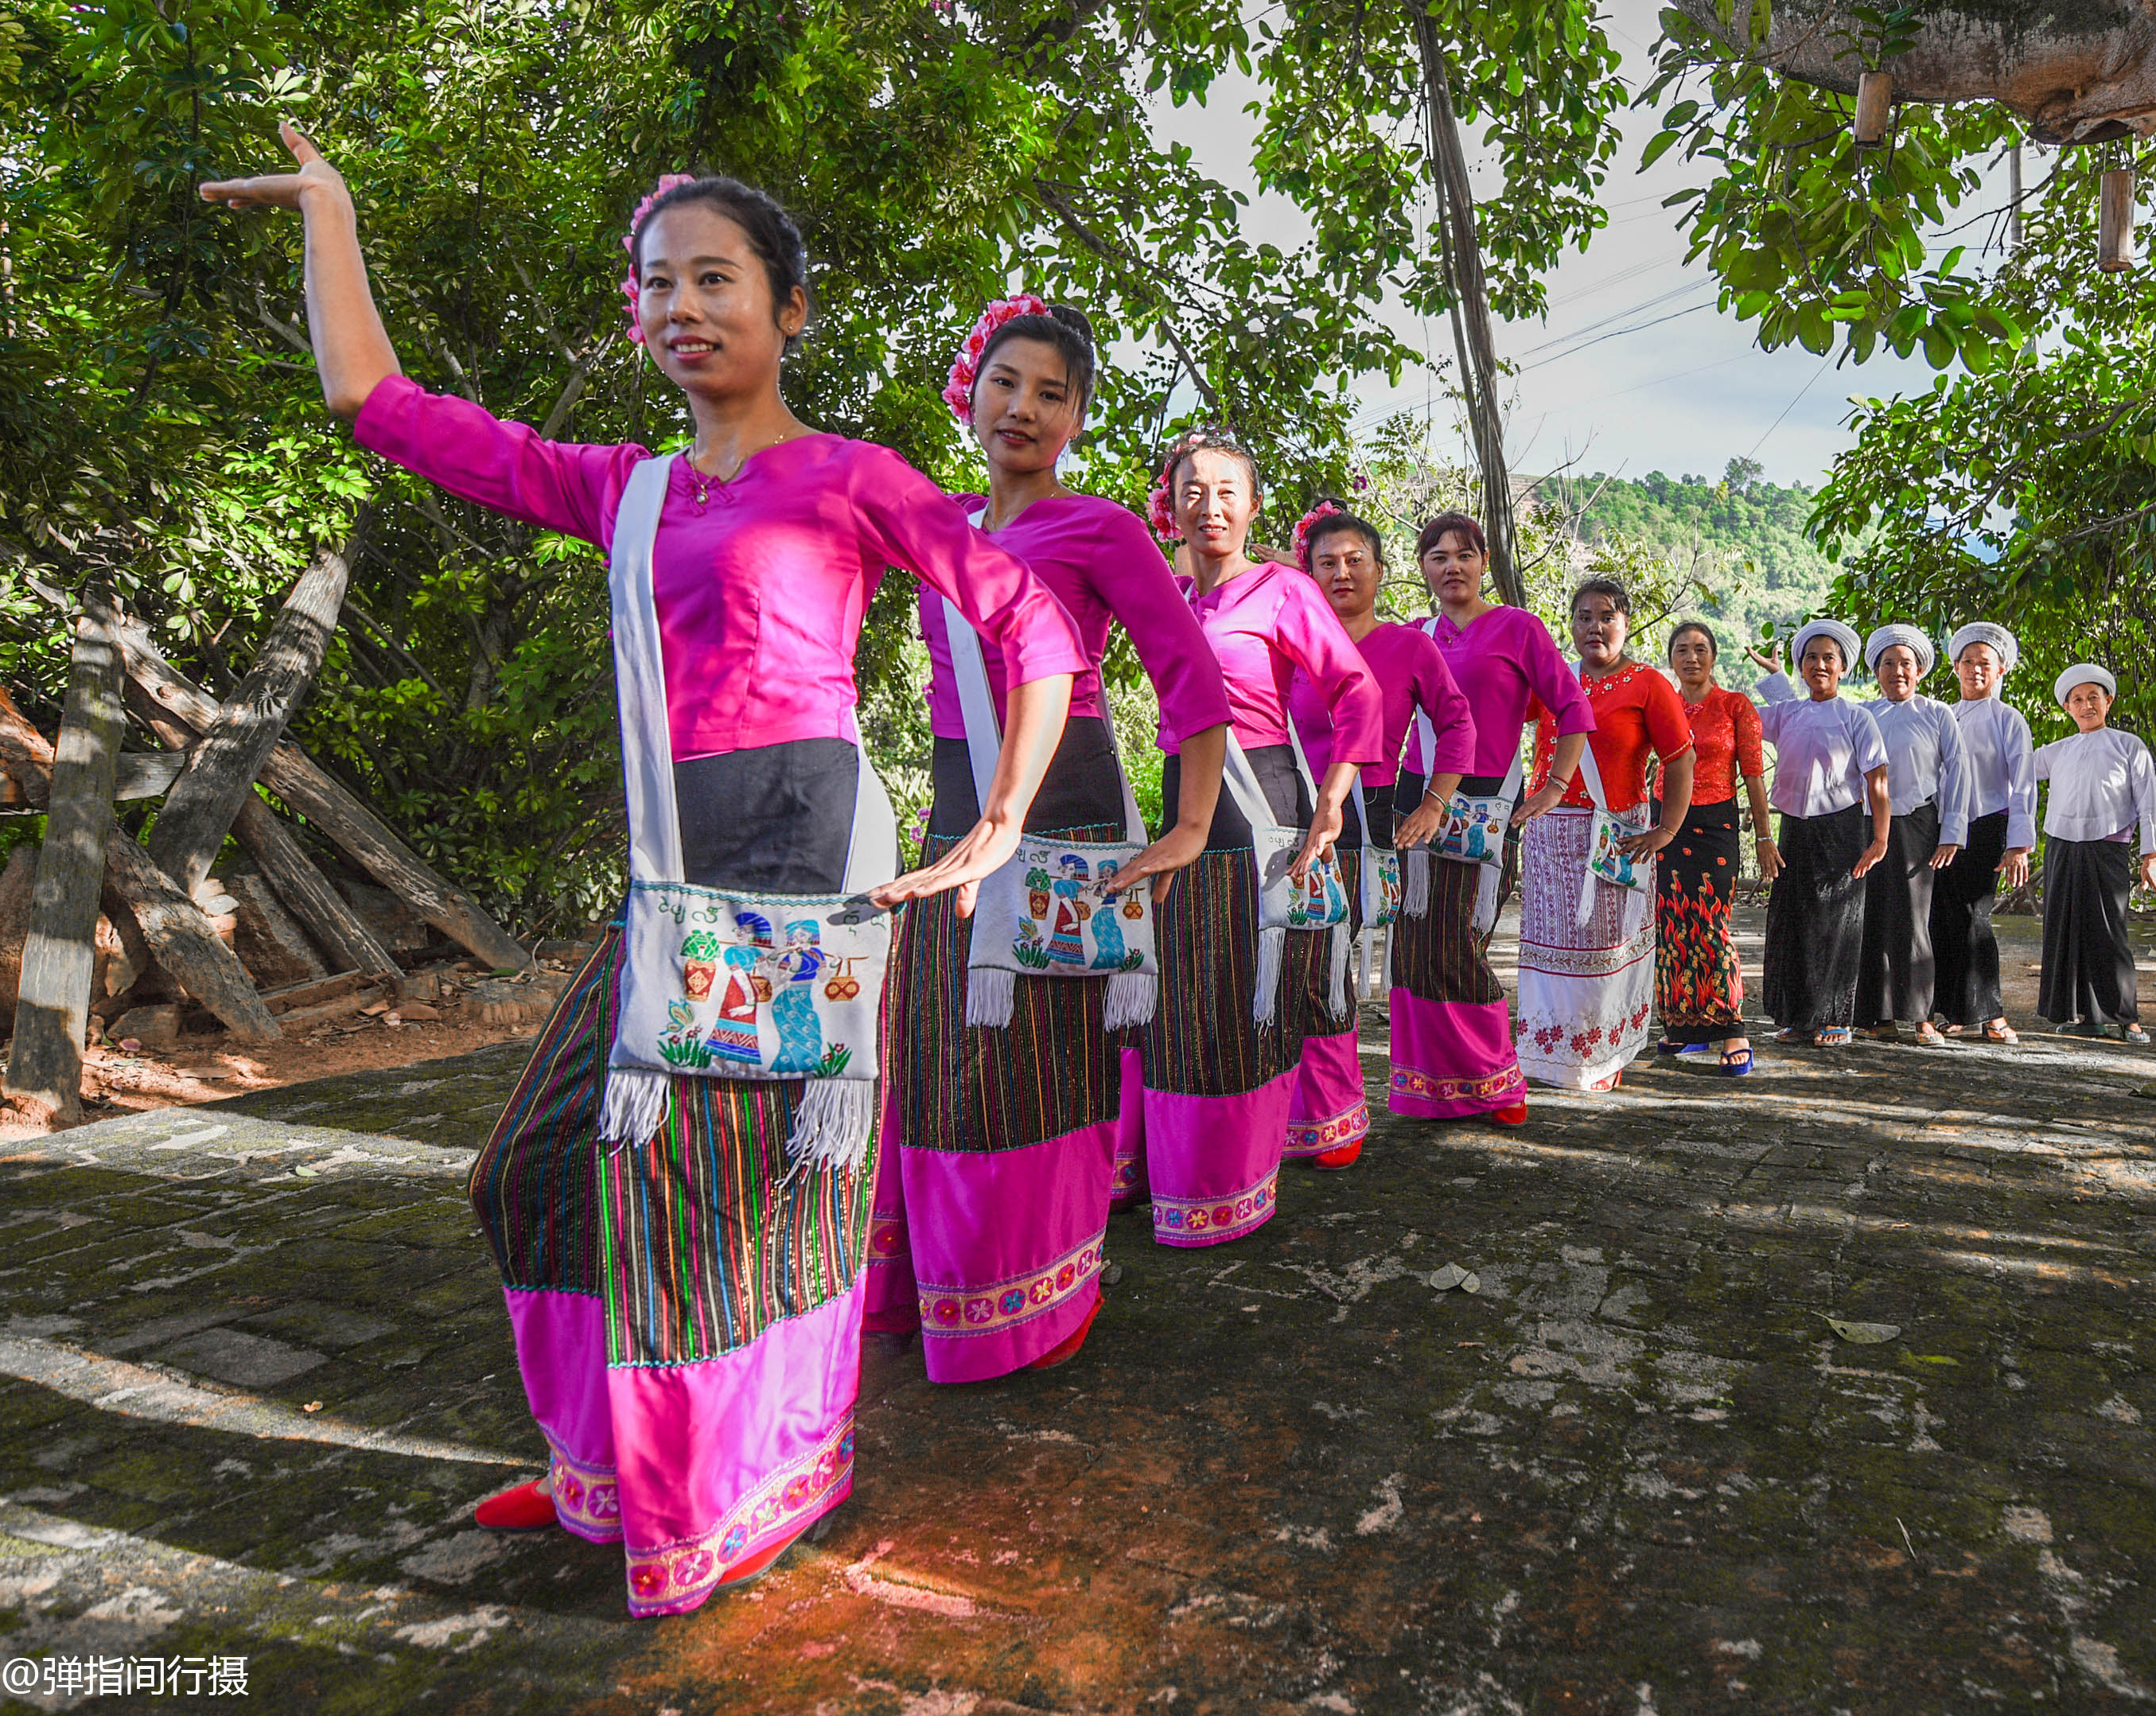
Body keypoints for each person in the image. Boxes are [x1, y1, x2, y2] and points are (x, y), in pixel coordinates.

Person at [203, 134, 1082, 1617]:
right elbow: (380, 405)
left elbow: (1027, 622)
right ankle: (610, 1469)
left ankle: (742, 1476)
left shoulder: (852, 477)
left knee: (716, 1198)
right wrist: (333, 216)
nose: (683, 304)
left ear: (787, 307)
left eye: (717, 277)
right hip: (672, 870)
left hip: (795, 873)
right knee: (537, 1171)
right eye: (658, 282)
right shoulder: (626, 488)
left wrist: (999, 821)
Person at [862, 297, 1232, 1383]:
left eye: (1052, 393)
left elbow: (1188, 677)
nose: (1023, 407)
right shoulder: (933, 525)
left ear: (1076, 419)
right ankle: (923, 1281)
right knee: (932, 1056)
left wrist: (1191, 824)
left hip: (1066, 815)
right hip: (950, 808)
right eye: (1006, 383)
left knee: (1032, 1060)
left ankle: (1038, 1295)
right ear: (970, 392)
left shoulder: (1102, 529)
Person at [1112, 433, 1383, 1246]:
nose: (1211, 506)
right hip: (1177, 801)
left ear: (1254, 505)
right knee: (1174, 997)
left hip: (1259, 804)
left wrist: (1335, 797)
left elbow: (1356, 692)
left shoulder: (1283, 590)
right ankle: (1166, 1171)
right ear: (1171, 506)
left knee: (1238, 1000)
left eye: (1229, 490)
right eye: (1192, 489)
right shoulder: (1164, 596)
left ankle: (1227, 1186)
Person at [1387, 514, 1590, 1126]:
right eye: (1437, 556)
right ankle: (1428, 1086)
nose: (1452, 566)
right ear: (1422, 568)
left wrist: (1555, 785)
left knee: (1458, 944)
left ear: (1483, 564)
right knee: (1413, 945)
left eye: (1464, 555)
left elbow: (1573, 709)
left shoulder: (1518, 628)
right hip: (1413, 802)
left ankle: (1494, 1078)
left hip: (1487, 803)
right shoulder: (1412, 634)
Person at [1288, 503, 1474, 1165]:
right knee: (1289, 965)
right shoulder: (1286, 642)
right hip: (1284, 812)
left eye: (1354, 561)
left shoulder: (1407, 646)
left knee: (1332, 964)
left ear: (1380, 571)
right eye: (1325, 564)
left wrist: (1432, 804)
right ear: (1305, 574)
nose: (1342, 574)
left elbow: (1458, 726)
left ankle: (1335, 1116)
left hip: (1363, 819)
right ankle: (1293, 1110)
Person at [1516, 578, 1695, 1095]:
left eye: (1607, 616)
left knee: (1605, 950)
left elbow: (1679, 757)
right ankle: (1546, 1052)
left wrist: (1667, 828)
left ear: (1626, 624)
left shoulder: (1647, 684)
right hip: (1550, 837)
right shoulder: (1552, 680)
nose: (1594, 626)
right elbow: (1501, 711)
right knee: (1549, 948)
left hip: (1618, 835)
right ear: (1570, 626)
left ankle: (1599, 1054)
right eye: (1584, 616)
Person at [1753, 621, 1891, 1044]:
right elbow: (1739, 723)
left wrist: (1880, 839)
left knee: (1837, 922)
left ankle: (1835, 1019)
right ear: (1800, 666)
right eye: (1810, 658)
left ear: (1843, 667)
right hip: (1794, 829)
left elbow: (1878, 781)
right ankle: (1798, 1018)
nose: (1819, 665)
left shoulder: (1857, 717)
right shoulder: (1787, 714)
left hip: (1842, 831)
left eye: (1828, 657)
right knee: (1794, 921)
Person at [1653, 622, 1770, 1074]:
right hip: (1664, 822)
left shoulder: (1735, 706)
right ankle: (1684, 1027)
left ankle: (1731, 1028)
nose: (1691, 657)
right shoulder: (1661, 703)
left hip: (1715, 824)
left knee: (1710, 923)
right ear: (1671, 660)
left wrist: (1763, 836)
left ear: (1714, 656)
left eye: (1701, 649)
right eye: (1682, 650)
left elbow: (1755, 776)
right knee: (1671, 926)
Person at [2031, 664, 2156, 1042]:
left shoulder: (2128, 745)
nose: (2086, 705)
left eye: (2094, 697)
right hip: (2061, 845)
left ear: (2108, 701)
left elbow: (2148, 802)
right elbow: (2016, 769)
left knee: (2109, 930)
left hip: (2109, 845)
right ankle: (2087, 1016)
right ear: (2067, 707)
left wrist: (2151, 856)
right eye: (2078, 700)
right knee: (2067, 927)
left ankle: (2127, 1018)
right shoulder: (2058, 750)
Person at [1853, 624, 1971, 1045]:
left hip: (1919, 826)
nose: (1897, 671)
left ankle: (1921, 1016)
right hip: (1868, 827)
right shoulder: (1863, 714)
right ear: (1876, 671)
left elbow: (1957, 771)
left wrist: (1952, 832)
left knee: (1915, 920)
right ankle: (1876, 1015)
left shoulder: (1937, 713)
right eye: (1888, 664)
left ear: (1919, 670)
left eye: (1906, 663)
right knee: (1873, 918)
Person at [1936, 622, 2033, 1045]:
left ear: (2001, 671)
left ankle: (1991, 1013)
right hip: (1942, 828)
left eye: (1986, 663)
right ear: (1956, 667)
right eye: (1969, 661)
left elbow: (2024, 783)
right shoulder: (1942, 715)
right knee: (1942, 916)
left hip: (1989, 824)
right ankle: (1955, 1011)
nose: (1977, 669)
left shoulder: (2008, 719)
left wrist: (2017, 845)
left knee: (1976, 916)